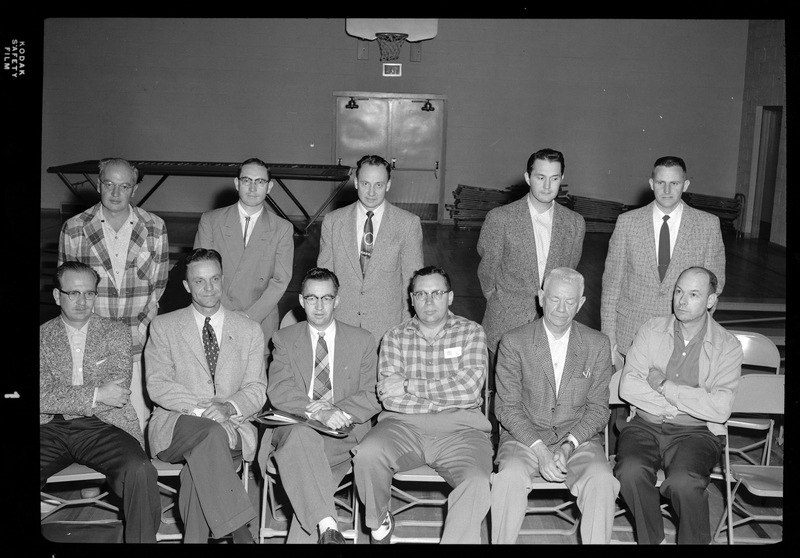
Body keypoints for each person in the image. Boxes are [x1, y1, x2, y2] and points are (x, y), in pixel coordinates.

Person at [352, 266, 493, 544]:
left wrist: (408, 384)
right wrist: (442, 391)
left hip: (461, 430)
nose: (429, 301)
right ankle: (379, 523)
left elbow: (468, 390)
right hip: (402, 427)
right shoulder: (394, 336)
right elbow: (389, 398)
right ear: (411, 299)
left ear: (450, 297)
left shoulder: (471, 333)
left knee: (476, 481)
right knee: (367, 454)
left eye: (437, 293)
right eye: (421, 294)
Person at [145, 248, 267, 543]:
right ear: (187, 286)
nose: (209, 288)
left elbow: (257, 387)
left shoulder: (249, 330)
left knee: (195, 474)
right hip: (177, 425)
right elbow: (158, 384)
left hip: (232, 427)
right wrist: (205, 413)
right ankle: (242, 534)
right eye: (199, 281)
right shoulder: (164, 326)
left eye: (214, 279)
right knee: (211, 434)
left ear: (222, 280)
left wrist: (227, 407)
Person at [614, 266, 742, 544]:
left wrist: (664, 386)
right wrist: (686, 403)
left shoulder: (727, 345)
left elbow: (720, 408)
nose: (681, 301)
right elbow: (629, 386)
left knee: (685, 482)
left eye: (693, 294)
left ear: (710, 301)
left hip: (696, 433)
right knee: (629, 472)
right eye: (678, 291)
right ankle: (652, 540)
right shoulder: (651, 329)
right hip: (645, 426)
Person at [491, 267, 618, 544]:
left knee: (603, 480)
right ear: (540, 297)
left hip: (578, 440)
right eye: (554, 299)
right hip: (524, 438)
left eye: (570, 301)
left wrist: (568, 445)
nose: (561, 308)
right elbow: (507, 408)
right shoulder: (514, 342)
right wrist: (540, 450)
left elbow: (599, 409)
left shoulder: (597, 344)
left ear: (581, 303)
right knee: (508, 478)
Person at [256, 267, 380, 544]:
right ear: (301, 301)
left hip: (343, 433)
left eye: (326, 298)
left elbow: (372, 392)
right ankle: (327, 523)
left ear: (337, 301)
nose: (320, 306)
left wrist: (339, 413)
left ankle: (326, 526)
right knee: (302, 437)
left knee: (306, 472)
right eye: (312, 298)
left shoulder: (362, 340)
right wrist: (320, 411)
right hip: (296, 427)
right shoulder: (284, 339)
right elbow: (280, 389)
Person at [40, 261, 160, 543]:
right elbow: (40, 396)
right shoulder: (42, 336)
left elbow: (116, 394)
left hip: (103, 426)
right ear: (57, 295)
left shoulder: (116, 332)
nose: (82, 301)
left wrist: (64, 396)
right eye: (73, 293)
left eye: (90, 294)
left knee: (140, 470)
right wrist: (95, 394)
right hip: (49, 428)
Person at [58, 157, 169, 433]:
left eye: (124, 186)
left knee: (138, 426)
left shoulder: (155, 227)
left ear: (135, 189)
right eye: (109, 184)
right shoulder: (74, 229)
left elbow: (158, 287)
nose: (116, 193)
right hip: (91, 347)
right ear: (98, 184)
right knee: (90, 428)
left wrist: (142, 334)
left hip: (139, 345)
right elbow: (69, 294)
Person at [601, 155, 726, 369]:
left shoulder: (708, 225)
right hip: (630, 333)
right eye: (661, 183)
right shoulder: (627, 223)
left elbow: (715, 287)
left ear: (685, 185)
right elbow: (611, 285)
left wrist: (695, 330)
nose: (667, 190)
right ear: (651, 184)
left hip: (682, 335)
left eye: (674, 183)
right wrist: (609, 337)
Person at [477, 148, 585, 383]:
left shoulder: (575, 223)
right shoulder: (500, 218)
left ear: (562, 180)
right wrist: (501, 301)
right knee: (502, 400)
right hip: (506, 321)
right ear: (528, 178)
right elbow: (487, 271)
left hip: (553, 324)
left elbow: (569, 273)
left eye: (554, 178)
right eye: (540, 177)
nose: (547, 186)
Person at [318, 154, 423, 343]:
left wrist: (407, 328)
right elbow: (323, 280)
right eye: (366, 184)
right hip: (342, 323)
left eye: (379, 185)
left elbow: (413, 283)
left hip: (387, 327)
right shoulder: (333, 222)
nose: (372, 192)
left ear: (388, 185)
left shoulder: (408, 224)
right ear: (356, 182)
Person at [194, 157, 294, 352]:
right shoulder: (211, 221)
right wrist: (228, 313)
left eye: (260, 182)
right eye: (247, 180)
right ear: (237, 183)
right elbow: (201, 273)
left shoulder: (282, 228)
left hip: (260, 319)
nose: (253, 187)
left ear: (270, 186)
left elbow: (281, 280)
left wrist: (249, 317)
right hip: (216, 313)